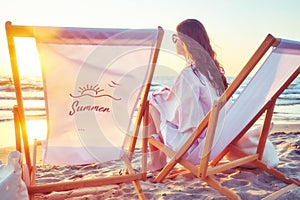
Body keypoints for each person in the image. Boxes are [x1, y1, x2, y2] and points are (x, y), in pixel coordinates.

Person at [147, 19, 228, 171]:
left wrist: (161, 99)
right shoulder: (212, 71)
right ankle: (158, 161)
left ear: (185, 41)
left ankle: (156, 162)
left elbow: (182, 116)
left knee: (151, 103)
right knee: (158, 100)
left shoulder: (189, 73)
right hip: (215, 141)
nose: (175, 42)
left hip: (193, 147)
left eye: (176, 38)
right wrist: (167, 97)